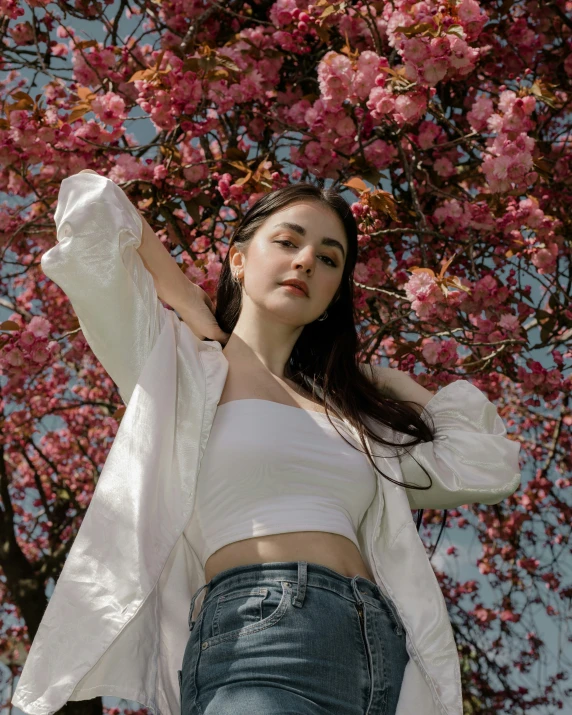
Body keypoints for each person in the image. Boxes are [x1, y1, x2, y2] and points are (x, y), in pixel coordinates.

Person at [12, 171, 521, 715]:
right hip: (258, 639)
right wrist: (182, 293)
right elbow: (91, 209)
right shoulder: (179, 365)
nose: (305, 261)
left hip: (380, 653)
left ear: (331, 296)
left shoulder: (351, 416)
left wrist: (387, 382)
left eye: (329, 259)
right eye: (287, 241)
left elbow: (488, 465)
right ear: (238, 258)